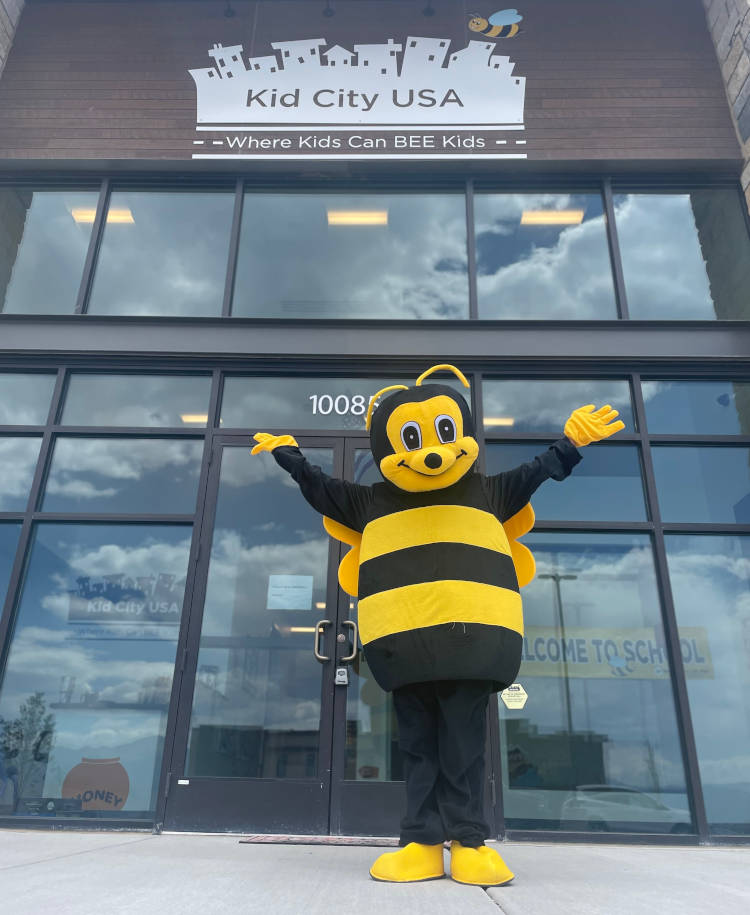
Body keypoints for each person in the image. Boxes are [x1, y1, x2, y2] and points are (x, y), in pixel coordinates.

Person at [251, 364, 623, 885]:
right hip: (405, 653)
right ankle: (422, 841)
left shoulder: (487, 493)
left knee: (463, 746)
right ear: (385, 448)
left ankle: (468, 839)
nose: (431, 452)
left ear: (464, 435)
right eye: (411, 439)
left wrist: (571, 442)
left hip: (471, 648)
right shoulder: (370, 502)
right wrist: (289, 455)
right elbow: (320, 487)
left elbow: (539, 470)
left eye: (445, 434)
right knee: (418, 747)